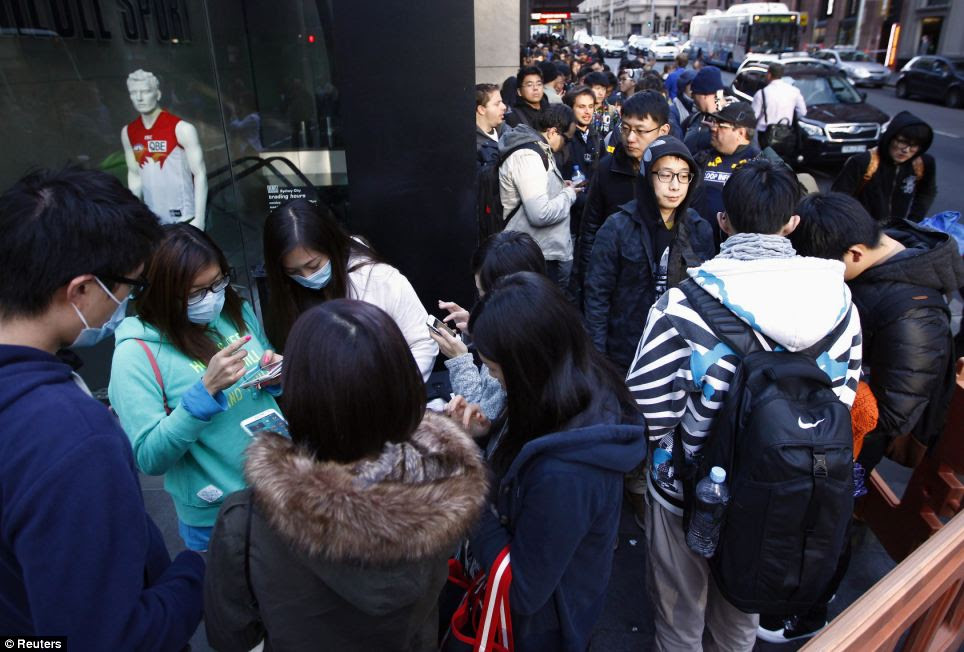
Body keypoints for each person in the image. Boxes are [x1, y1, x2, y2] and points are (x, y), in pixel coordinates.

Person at [627, 159, 861, 652]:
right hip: (783, 488)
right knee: (741, 612)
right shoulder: (839, 302)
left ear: (723, 221)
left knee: (679, 611)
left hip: (688, 491)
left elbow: (647, 407)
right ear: (792, 224)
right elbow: (843, 396)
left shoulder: (684, 304)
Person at [204, 300, 487, 651]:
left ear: (298, 392)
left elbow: (230, 635)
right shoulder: (443, 484)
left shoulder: (247, 520)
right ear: (402, 386)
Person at [0, 167, 204, 647]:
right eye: (128, 286)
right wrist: (193, 574)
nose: (126, 301)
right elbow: (106, 638)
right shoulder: (71, 438)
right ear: (81, 290)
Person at [760, 192, 964, 643]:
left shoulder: (914, 314)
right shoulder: (876, 262)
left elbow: (892, 413)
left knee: (827, 523)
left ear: (854, 254)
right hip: (829, 423)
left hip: (851, 440)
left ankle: (809, 613)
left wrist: (824, 390)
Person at [455, 272, 646, 651]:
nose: (494, 380)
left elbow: (524, 591)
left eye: (494, 370)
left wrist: (467, 485)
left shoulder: (567, 471)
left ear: (529, 365)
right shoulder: (578, 384)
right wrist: (489, 436)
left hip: (539, 629)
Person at [109, 224, 282, 552]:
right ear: (160, 293)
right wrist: (202, 394)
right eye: (196, 292)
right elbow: (148, 456)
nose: (212, 298)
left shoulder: (234, 310)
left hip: (282, 487)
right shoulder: (136, 354)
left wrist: (275, 377)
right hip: (219, 514)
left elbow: (263, 383)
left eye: (218, 282)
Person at [261, 198, 437, 380]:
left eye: (314, 266)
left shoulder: (378, 279)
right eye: (294, 271)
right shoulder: (287, 293)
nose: (306, 277)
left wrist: (394, 390)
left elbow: (422, 342)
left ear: (332, 246)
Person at [584, 136, 714, 372]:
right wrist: (598, 360)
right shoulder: (617, 227)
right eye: (665, 175)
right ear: (647, 175)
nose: (675, 185)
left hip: (681, 354)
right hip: (625, 353)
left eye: (684, 176)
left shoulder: (698, 229)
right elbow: (597, 297)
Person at [432, 231, 547, 421]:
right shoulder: (537, 322)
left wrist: (459, 359)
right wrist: (478, 330)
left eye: (485, 293)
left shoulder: (517, 350)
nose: (482, 302)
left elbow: (482, 413)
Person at [572, 91, 673, 302]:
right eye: (625, 129)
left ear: (663, 130)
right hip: (615, 284)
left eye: (641, 131)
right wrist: (588, 281)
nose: (630, 138)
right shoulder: (607, 169)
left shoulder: (679, 171)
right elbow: (590, 228)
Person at [499, 104, 580, 291]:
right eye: (566, 140)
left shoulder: (538, 149)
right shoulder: (528, 155)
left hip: (536, 251)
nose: (566, 146)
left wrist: (560, 187)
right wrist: (568, 195)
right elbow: (540, 214)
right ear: (552, 132)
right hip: (530, 255)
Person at [121, 69, 207, 228]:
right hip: (152, 220)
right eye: (134, 92)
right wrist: (134, 216)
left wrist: (199, 219)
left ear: (158, 94)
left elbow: (200, 174)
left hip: (184, 218)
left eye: (146, 91)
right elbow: (134, 175)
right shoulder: (128, 132)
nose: (139, 98)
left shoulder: (182, 129)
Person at [831, 111, 937, 225]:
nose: (906, 150)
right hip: (862, 230)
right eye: (902, 142)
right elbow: (837, 200)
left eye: (914, 145)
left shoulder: (922, 163)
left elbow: (927, 192)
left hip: (897, 231)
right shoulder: (864, 162)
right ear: (890, 138)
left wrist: (913, 222)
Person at [692, 101, 761, 244]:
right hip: (698, 243)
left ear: (741, 133)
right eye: (714, 123)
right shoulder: (702, 157)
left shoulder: (759, 163)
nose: (713, 128)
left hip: (738, 247)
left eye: (722, 126)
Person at [750, 62, 806, 150]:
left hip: (764, 134)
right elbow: (802, 112)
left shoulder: (762, 93)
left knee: (764, 159)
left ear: (769, 74)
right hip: (785, 134)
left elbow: (753, 117)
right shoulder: (794, 91)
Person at [681, 65, 725, 155]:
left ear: (704, 95)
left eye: (694, 93)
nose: (692, 98)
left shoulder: (731, 123)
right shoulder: (693, 119)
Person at [476, 83, 506, 169]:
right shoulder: (474, 147)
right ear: (481, 109)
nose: (504, 107)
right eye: (497, 104)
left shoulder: (508, 131)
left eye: (502, 102)